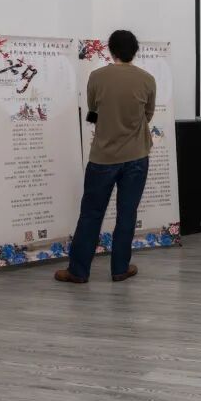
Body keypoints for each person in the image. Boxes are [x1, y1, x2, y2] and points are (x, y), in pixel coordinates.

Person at [56, 30, 156, 284]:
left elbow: (93, 109)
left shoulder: (97, 77)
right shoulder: (147, 80)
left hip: (103, 158)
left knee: (91, 214)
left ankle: (78, 271)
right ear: (135, 51)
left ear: (110, 50)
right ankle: (120, 269)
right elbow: (148, 114)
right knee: (127, 214)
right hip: (137, 156)